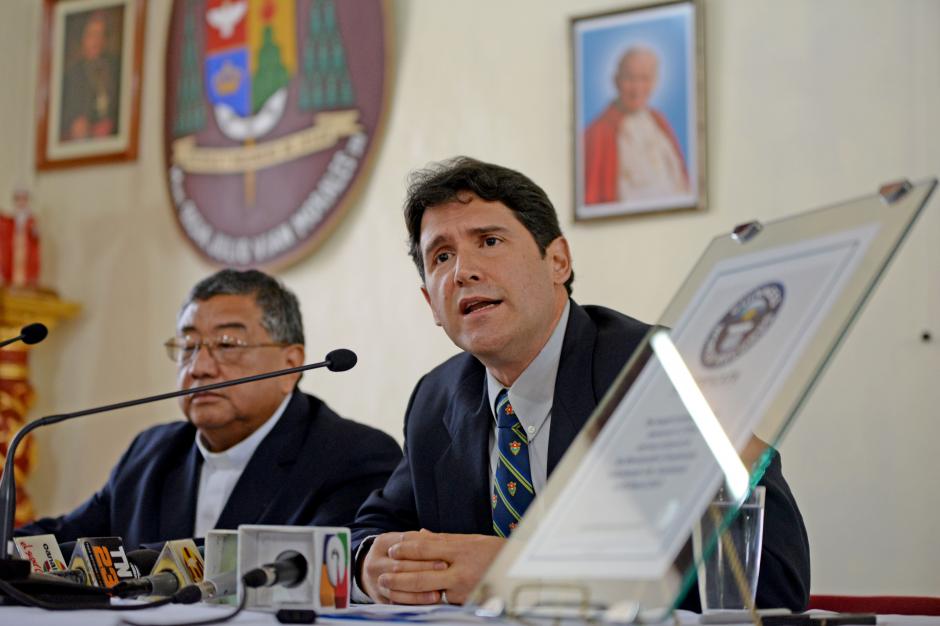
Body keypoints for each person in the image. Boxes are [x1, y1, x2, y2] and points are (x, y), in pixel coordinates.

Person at [350, 157, 810, 611]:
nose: (461, 271)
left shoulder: (655, 373)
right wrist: (367, 565)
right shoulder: (437, 398)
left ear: (558, 261)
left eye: (489, 241)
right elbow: (373, 527)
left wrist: (525, 571)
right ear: (431, 302)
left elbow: (769, 577)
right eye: (441, 256)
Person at [17, 269, 402, 548]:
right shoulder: (150, 453)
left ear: (290, 365)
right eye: (187, 347)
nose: (199, 367)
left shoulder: (352, 456)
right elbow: (64, 537)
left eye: (227, 344)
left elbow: (314, 566)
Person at [583, 46, 690, 205]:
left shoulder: (658, 122)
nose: (637, 88)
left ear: (654, 82)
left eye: (644, 78)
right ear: (616, 80)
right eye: (630, 78)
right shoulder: (597, 133)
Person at [60, 10, 120, 141]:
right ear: (83, 38)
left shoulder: (115, 67)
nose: (96, 41)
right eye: (92, 35)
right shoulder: (72, 75)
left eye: (100, 35)